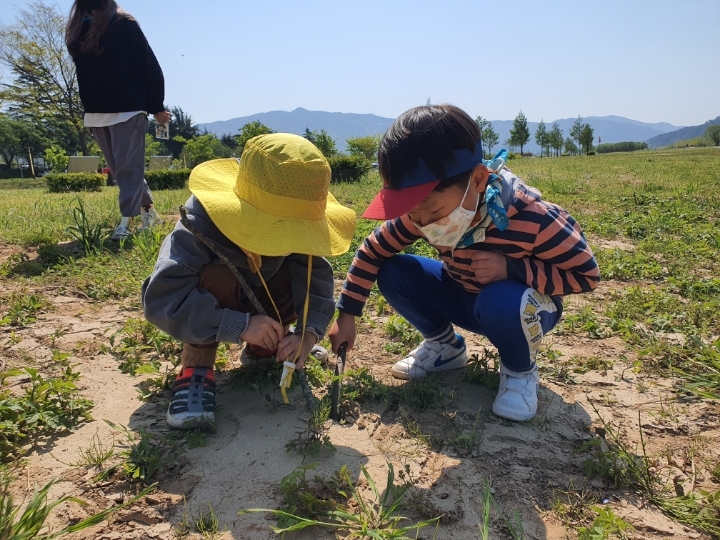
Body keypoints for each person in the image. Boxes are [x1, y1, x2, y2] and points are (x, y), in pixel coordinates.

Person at [329, 104, 599, 422]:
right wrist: (347, 314)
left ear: (478, 179)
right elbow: (372, 250)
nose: (423, 224)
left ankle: (520, 370)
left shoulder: (535, 218)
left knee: (500, 300)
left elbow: (586, 275)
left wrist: (511, 269)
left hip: (521, 309)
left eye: (433, 211)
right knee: (393, 270)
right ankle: (445, 348)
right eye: (413, 214)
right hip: (463, 296)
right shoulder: (421, 216)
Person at [142, 134, 357, 428]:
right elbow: (163, 299)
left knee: (295, 270)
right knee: (216, 277)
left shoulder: (300, 217)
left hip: (265, 301)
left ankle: (270, 345)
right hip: (215, 304)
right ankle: (195, 370)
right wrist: (240, 325)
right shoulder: (199, 225)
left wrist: (307, 334)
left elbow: (315, 279)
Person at [66, 0, 169, 240]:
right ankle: (149, 212)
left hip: (128, 108)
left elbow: (148, 65)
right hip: (96, 111)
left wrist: (156, 106)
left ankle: (125, 222)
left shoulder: (124, 23)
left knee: (128, 168)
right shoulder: (79, 28)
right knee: (120, 170)